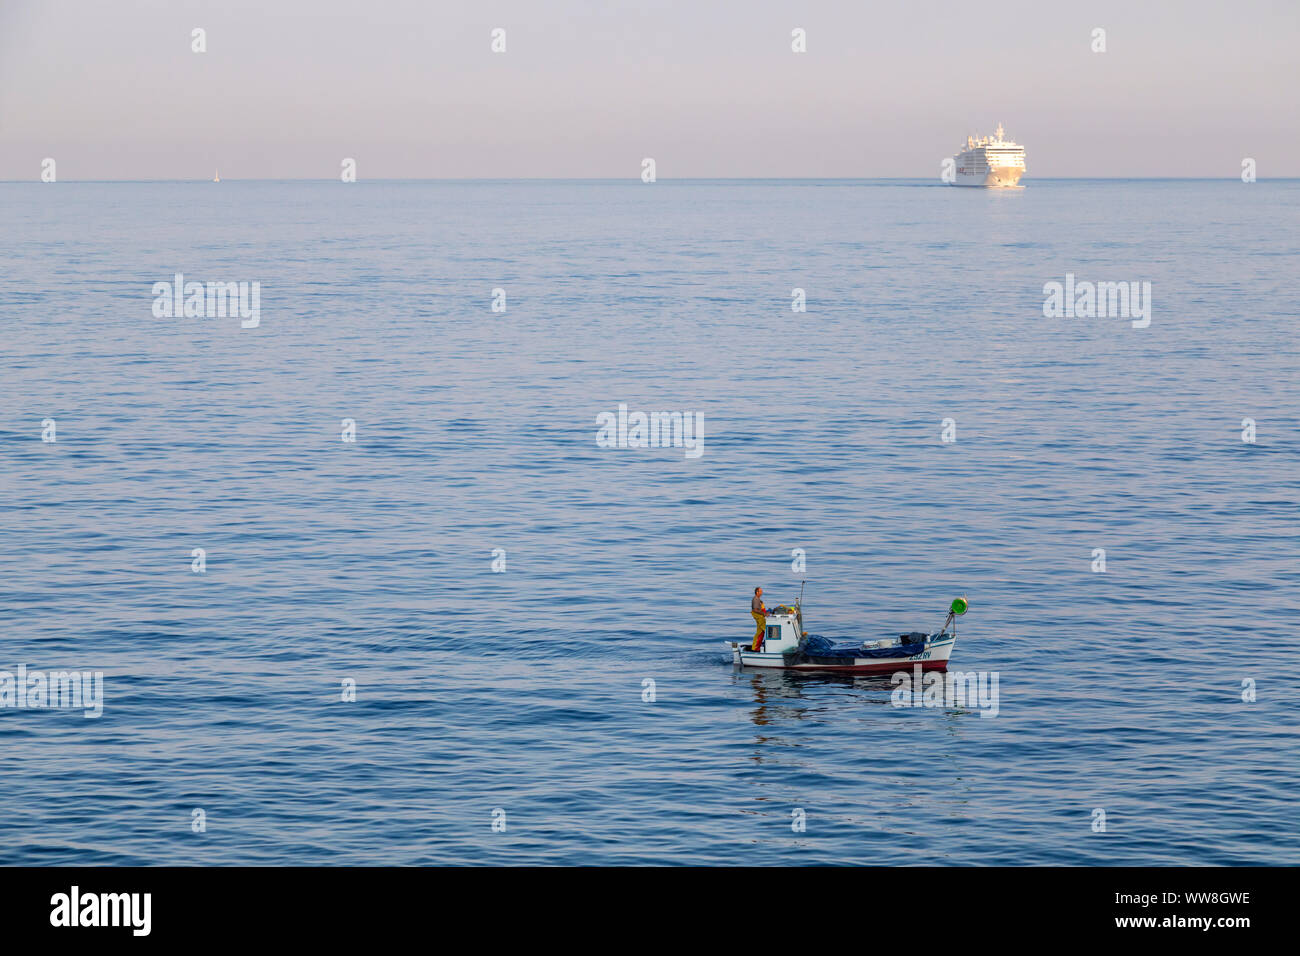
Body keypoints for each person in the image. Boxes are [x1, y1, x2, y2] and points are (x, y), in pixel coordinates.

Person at [750, 587, 767, 651]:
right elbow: (755, 610)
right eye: (760, 591)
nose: (762, 592)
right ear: (757, 592)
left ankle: (756, 647)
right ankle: (755, 648)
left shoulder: (759, 600)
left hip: (760, 616)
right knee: (767, 630)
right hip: (759, 617)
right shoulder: (755, 599)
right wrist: (764, 614)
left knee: (760, 632)